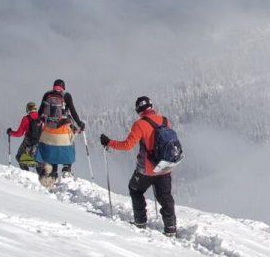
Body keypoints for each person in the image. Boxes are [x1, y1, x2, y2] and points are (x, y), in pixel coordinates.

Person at [100, 96, 177, 235]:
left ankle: (140, 221)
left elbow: (127, 145)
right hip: (165, 166)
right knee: (165, 196)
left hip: (147, 169)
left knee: (135, 189)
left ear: (138, 110)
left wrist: (108, 142)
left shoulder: (139, 124)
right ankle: (171, 228)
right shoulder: (165, 120)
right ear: (151, 106)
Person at [35, 79, 85, 186]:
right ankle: (67, 168)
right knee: (70, 143)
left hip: (48, 131)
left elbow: (40, 113)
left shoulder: (47, 95)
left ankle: (52, 173)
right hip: (62, 131)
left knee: (51, 148)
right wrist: (80, 124)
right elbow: (73, 112)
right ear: (64, 87)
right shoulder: (66, 96)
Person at [6, 102, 42, 171]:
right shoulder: (41, 118)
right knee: (38, 160)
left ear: (28, 109)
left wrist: (10, 132)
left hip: (28, 142)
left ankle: (26, 173)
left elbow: (19, 133)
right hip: (38, 142)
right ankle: (40, 175)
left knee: (19, 157)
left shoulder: (26, 118)